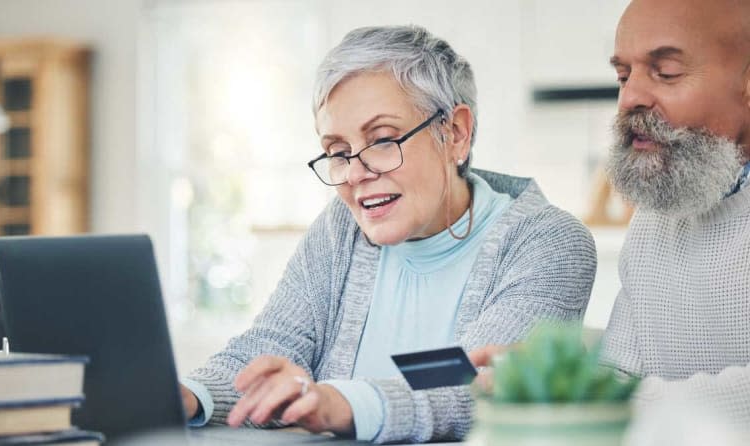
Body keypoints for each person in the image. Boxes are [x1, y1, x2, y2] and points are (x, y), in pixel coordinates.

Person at [180, 25, 597, 444]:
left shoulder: (549, 242)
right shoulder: (340, 230)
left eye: (381, 140)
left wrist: (337, 402)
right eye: (338, 152)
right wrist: (190, 396)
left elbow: (475, 381)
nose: (356, 173)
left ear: (455, 133)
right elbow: (273, 345)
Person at [598, 0, 750, 426]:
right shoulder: (657, 212)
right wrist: (550, 382)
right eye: (623, 76)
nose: (630, 98)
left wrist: (613, 405)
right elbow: (618, 369)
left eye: (665, 73)